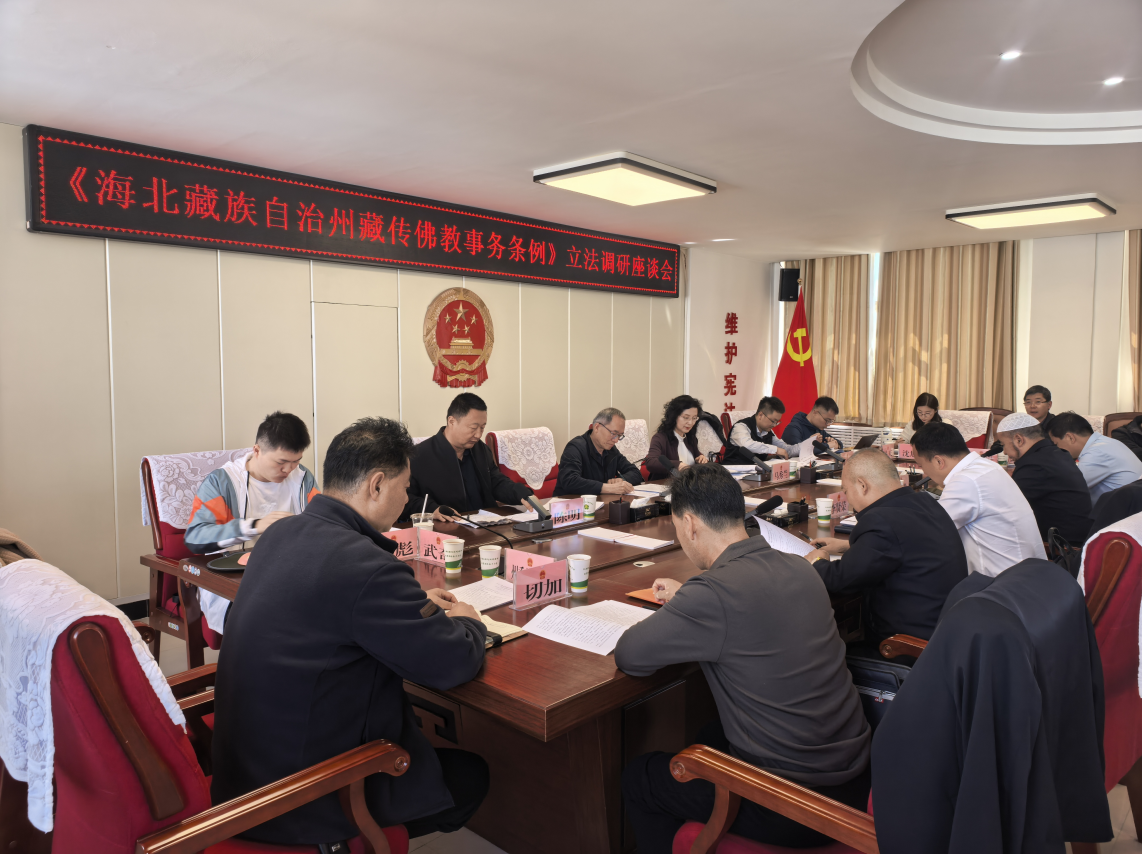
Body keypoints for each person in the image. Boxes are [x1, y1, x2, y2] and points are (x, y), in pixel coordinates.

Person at [211, 417, 489, 845]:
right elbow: (452, 663)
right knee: (471, 777)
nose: (407, 497)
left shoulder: (280, 534)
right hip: (303, 796)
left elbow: (325, 606)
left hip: (244, 774)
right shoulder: (366, 566)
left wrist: (411, 603)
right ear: (376, 485)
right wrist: (469, 620)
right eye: (405, 486)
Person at [616, 465, 870, 852]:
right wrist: (691, 599)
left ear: (689, 524)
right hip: (854, 774)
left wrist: (692, 602)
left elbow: (630, 655)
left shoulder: (713, 594)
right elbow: (747, 606)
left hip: (795, 805)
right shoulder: (799, 567)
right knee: (709, 734)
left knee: (640, 778)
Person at [803, 449, 967, 644]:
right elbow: (903, 544)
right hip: (945, 635)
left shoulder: (880, 520)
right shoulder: (925, 502)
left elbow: (840, 580)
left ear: (862, 485)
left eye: (846, 491)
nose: (848, 499)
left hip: (904, 646)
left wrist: (817, 561)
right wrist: (848, 546)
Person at [184, 411, 319, 635]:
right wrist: (254, 526)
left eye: (296, 461)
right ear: (257, 450)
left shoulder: (302, 477)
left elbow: (320, 523)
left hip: (291, 573)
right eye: (281, 462)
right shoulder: (223, 481)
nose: (288, 470)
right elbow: (195, 537)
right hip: (232, 581)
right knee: (274, 620)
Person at [912, 421, 1045, 577]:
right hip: (1030, 573)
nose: (924, 472)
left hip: (1005, 583)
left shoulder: (966, 480)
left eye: (921, 465)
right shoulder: (987, 467)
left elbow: (928, 532)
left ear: (938, 461)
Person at [404, 393, 532, 521]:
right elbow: (405, 498)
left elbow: (496, 482)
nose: (478, 435)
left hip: (486, 523)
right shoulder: (418, 456)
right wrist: (432, 509)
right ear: (452, 421)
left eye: (482, 428)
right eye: (473, 428)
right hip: (447, 526)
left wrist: (521, 494)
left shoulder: (480, 449)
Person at [996, 412, 1092, 546]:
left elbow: (1005, 508)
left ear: (1019, 440)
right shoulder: (1056, 454)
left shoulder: (1034, 465)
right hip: (1076, 540)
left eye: (1003, 444)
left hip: (1061, 548)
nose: (1005, 452)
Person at [1046, 411, 1142, 502]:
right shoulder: (1104, 443)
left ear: (1070, 437)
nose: (1056, 449)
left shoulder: (1098, 452)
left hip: (1123, 510)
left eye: (1056, 444)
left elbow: (1064, 487)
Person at [553, 407, 643, 496]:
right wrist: (608, 488)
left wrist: (621, 480)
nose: (616, 440)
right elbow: (569, 481)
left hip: (600, 502)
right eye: (613, 433)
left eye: (619, 436)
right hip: (569, 503)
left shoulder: (611, 450)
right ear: (597, 427)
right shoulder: (575, 447)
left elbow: (635, 473)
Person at [647, 395, 709, 478]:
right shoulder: (660, 438)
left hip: (689, 483)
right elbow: (651, 463)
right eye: (686, 417)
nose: (690, 422)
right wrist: (678, 465)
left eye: (694, 418)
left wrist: (700, 459)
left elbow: (696, 460)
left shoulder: (691, 438)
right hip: (666, 483)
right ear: (674, 416)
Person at [728, 396, 795, 459]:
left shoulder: (767, 431)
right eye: (773, 421)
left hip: (758, 467)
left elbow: (784, 448)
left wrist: (800, 448)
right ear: (761, 415)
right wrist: (775, 450)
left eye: (776, 422)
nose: (774, 425)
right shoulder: (740, 426)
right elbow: (747, 445)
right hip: (734, 467)